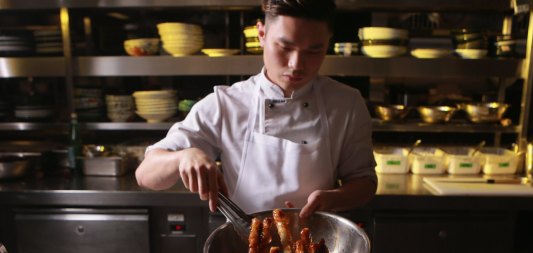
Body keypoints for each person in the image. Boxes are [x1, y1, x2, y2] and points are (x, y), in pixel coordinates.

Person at [135, 0, 377, 218]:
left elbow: (364, 181)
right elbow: (146, 176)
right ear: (261, 34)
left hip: (315, 244)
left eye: (314, 51)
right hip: (243, 244)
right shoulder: (225, 104)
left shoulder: (347, 104)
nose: (296, 64)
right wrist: (182, 157)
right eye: (284, 47)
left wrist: (335, 198)